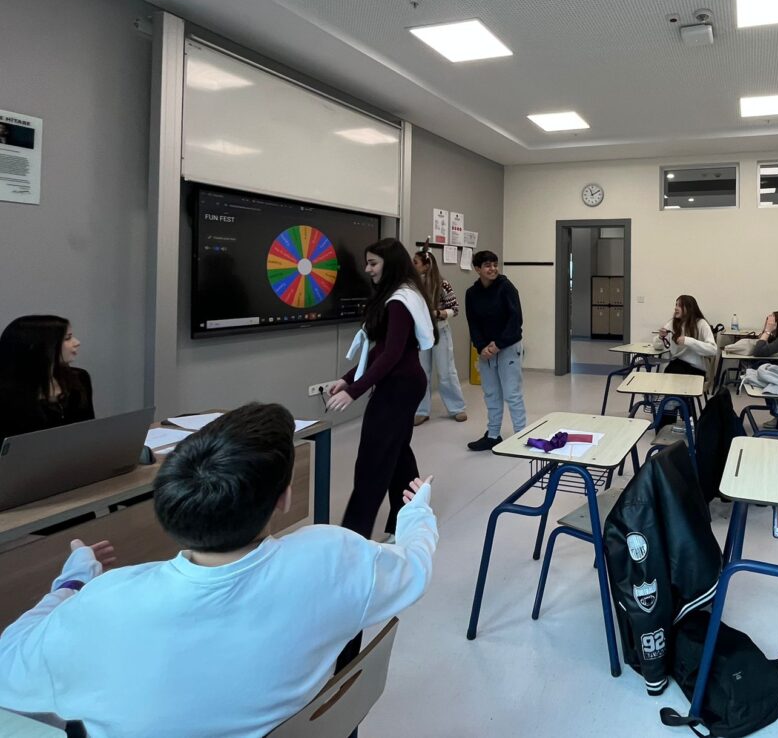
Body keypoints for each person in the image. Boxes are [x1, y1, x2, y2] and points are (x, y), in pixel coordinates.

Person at [0, 403, 438, 738]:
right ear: (284, 497)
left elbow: (8, 667)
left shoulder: (105, 600)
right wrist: (416, 515)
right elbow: (414, 569)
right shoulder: (332, 556)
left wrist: (70, 583)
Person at [327, 238, 435, 540]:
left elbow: (391, 355)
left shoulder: (399, 301)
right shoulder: (401, 295)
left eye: (373, 263)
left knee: (373, 461)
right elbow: (382, 349)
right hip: (404, 384)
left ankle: (353, 536)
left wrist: (354, 390)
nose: (368, 269)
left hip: (400, 387)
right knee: (397, 453)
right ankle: (409, 520)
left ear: (391, 264)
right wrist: (349, 379)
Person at [464, 250, 526, 451]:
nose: (492, 269)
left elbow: (515, 320)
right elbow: (473, 323)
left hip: (508, 347)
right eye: (487, 265)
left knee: (512, 393)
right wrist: (481, 346)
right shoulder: (472, 293)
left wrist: (498, 344)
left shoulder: (506, 287)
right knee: (491, 394)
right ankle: (493, 435)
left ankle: (521, 435)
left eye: (494, 264)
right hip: (486, 352)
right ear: (477, 269)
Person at [0, 315, 94, 443]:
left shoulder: (79, 378)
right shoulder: (6, 394)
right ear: (40, 346)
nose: (77, 342)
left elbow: (89, 430)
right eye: (67, 338)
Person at [412, 248, 468, 425]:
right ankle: (421, 410)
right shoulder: (412, 285)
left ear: (426, 265)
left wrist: (439, 313)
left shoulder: (442, 284)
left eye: (415, 263)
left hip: (440, 331)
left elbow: (455, 309)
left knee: (446, 371)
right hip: (420, 333)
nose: (412, 266)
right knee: (421, 372)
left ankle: (457, 408)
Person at [653, 295, 718, 429]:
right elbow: (658, 346)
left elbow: (712, 350)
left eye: (679, 305)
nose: (676, 308)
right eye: (676, 304)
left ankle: (677, 416)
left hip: (695, 369)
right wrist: (660, 337)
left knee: (674, 389)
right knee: (672, 379)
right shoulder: (673, 323)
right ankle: (680, 418)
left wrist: (689, 341)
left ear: (689, 308)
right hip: (677, 366)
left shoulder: (701, 323)